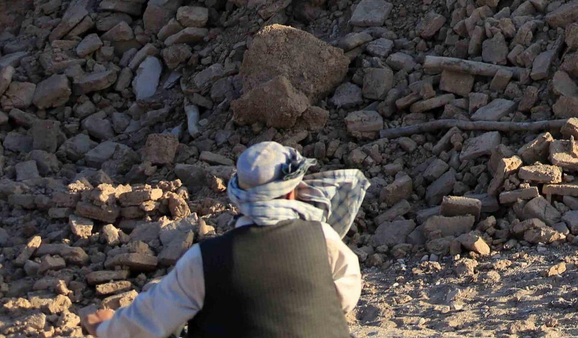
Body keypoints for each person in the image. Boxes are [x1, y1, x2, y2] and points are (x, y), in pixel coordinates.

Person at [81, 142, 369, 338]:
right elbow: (346, 292)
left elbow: (151, 321)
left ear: (239, 198)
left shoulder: (205, 260)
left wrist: (107, 328)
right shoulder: (322, 236)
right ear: (293, 192)